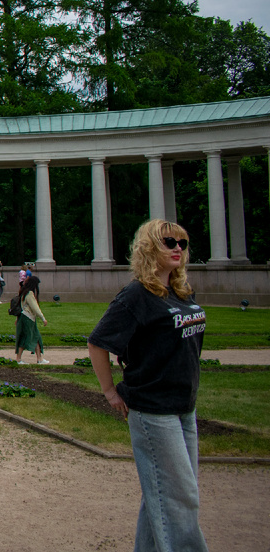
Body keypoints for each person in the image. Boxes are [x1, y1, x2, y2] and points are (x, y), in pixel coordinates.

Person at [87, 219, 208, 552]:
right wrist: (110, 392)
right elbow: (98, 343)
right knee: (181, 498)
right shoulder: (137, 294)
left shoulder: (182, 291)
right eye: (169, 242)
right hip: (154, 409)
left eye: (182, 243)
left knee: (164, 494)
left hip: (184, 407)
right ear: (150, 247)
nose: (178, 249)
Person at [14, 271, 49, 363]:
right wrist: (43, 318)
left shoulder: (24, 292)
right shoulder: (29, 293)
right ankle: (18, 359)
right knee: (25, 338)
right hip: (28, 318)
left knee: (36, 337)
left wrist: (17, 319)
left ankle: (39, 359)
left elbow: (20, 306)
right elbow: (35, 308)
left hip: (25, 317)